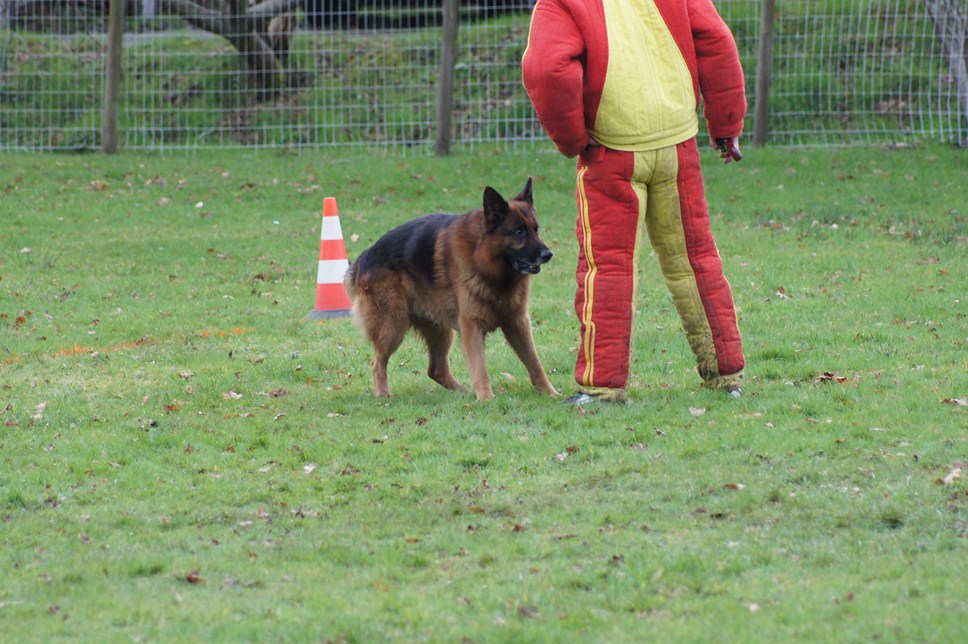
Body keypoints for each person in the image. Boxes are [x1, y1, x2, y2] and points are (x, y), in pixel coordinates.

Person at [522, 0, 747, 404]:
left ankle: (603, 386)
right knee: (696, 261)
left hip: (611, 151)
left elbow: (547, 68)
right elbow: (716, 40)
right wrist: (726, 123)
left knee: (607, 268)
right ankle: (727, 375)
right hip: (678, 145)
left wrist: (572, 138)